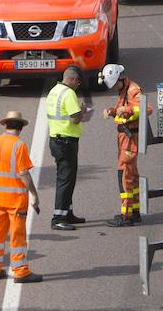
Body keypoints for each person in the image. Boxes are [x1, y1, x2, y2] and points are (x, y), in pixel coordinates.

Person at [0, 110, 42, 283]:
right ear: (21, 128)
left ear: (5, 125)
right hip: (15, 201)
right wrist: (34, 194)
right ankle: (20, 271)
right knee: (17, 237)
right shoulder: (19, 145)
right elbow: (23, 174)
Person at [99, 64, 152, 227]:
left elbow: (146, 109)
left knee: (125, 175)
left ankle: (126, 215)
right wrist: (112, 111)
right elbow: (122, 109)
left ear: (120, 79)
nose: (114, 88)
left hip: (130, 138)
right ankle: (135, 212)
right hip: (125, 137)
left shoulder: (133, 89)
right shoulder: (124, 90)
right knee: (132, 175)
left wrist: (127, 110)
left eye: (115, 84)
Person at [45, 67, 93, 231]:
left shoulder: (54, 91)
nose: (78, 86)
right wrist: (84, 111)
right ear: (73, 79)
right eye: (78, 82)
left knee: (67, 178)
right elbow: (75, 118)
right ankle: (58, 218)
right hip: (66, 141)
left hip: (56, 139)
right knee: (66, 179)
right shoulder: (69, 94)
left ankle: (67, 212)